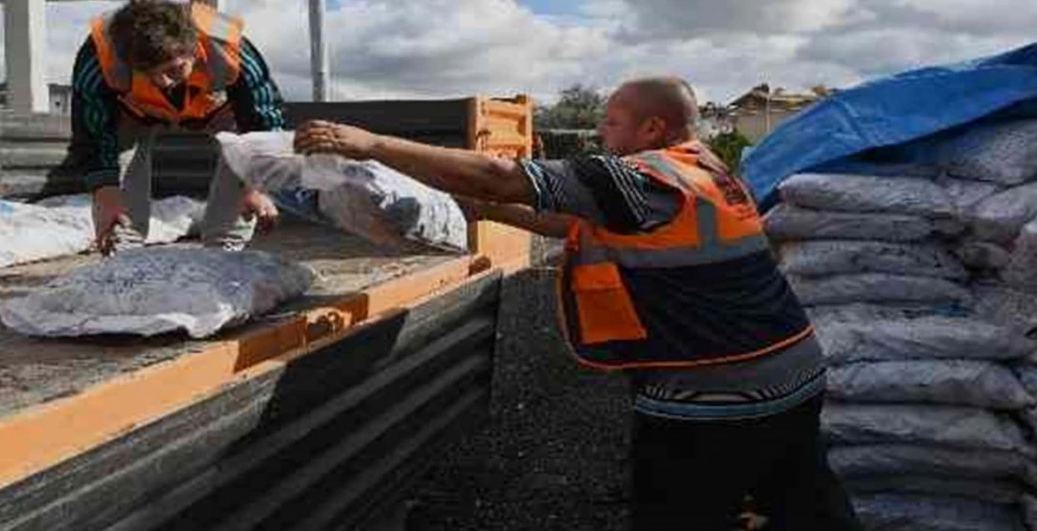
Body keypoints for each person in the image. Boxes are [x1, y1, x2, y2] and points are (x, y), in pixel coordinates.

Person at [291, 77, 861, 531]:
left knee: (679, 513)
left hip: (712, 392)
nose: (600, 129)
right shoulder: (703, 168)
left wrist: (370, 144)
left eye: (611, 121)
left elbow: (499, 175)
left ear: (651, 127)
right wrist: (488, 211)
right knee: (804, 502)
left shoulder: (641, 175)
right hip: (793, 369)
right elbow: (568, 218)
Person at [69, 0, 282, 255]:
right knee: (115, 189)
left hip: (213, 109)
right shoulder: (99, 55)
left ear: (194, 49)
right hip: (134, 112)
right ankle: (122, 254)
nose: (164, 83)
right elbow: (92, 131)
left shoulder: (230, 47)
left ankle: (224, 253)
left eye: (174, 69)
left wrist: (255, 185)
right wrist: (106, 193)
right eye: (148, 73)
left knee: (241, 151)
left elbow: (263, 120)